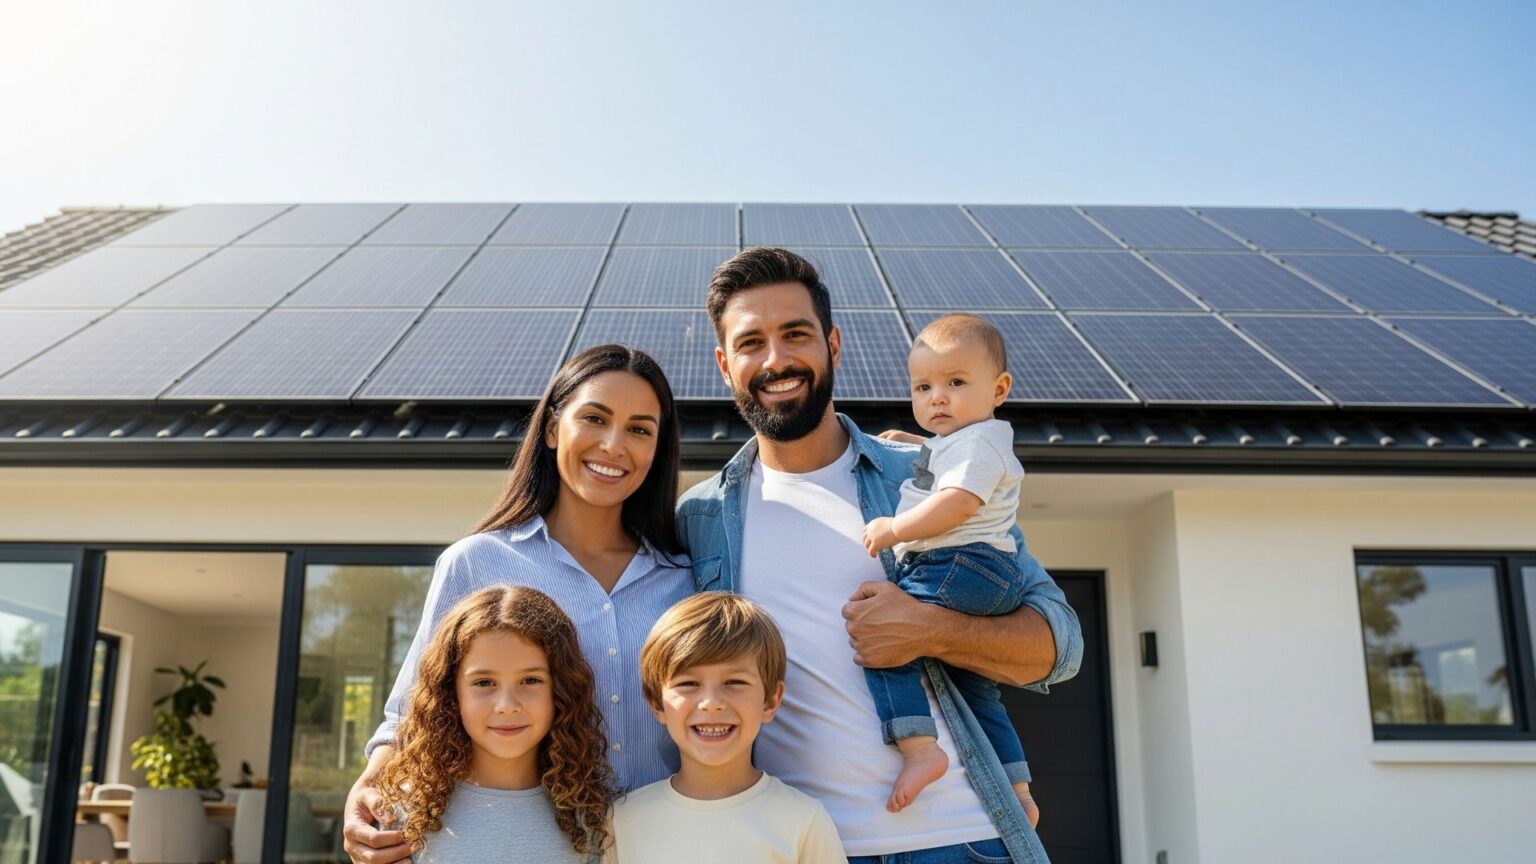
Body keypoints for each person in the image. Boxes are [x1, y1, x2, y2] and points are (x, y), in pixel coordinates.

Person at [676, 247, 1082, 863]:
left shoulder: (923, 478)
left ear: (833, 345)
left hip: (962, 839)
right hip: (797, 848)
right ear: (725, 365)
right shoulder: (698, 519)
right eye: (751, 342)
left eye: (796, 334)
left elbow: (1060, 647)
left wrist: (932, 630)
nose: (777, 359)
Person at [342, 344, 693, 864]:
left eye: (640, 429)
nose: (614, 445)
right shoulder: (476, 563)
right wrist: (365, 789)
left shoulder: (685, 580)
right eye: (594, 418)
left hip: (662, 846)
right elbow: (413, 712)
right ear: (553, 430)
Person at [859, 313, 1034, 814]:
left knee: (884, 638)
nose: (937, 397)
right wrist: (920, 445)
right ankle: (1016, 787)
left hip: (959, 562)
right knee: (975, 686)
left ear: (999, 388)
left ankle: (920, 750)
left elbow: (956, 502)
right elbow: (950, 461)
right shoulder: (969, 441)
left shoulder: (980, 443)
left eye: (956, 382)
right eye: (923, 386)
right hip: (985, 572)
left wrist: (895, 529)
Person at [605, 592, 845, 863]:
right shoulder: (623, 821)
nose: (711, 703)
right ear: (656, 703)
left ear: (771, 700)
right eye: (689, 684)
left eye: (734, 683)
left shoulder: (803, 821)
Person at [378, 585, 612, 863]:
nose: (507, 705)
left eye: (530, 680)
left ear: (561, 691)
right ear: (450, 694)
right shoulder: (405, 813)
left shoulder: (592, 818)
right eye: (484, 683)